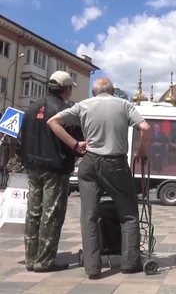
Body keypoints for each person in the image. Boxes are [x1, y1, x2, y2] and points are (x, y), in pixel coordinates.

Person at [47, 77, 151, 279]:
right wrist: (142, 152)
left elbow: (53, 122)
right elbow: (145, 128)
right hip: (116, 163)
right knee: (128, 214)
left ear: (94, 92)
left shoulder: (83, 105)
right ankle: (130, 263)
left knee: (89, 216)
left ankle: (93, 268)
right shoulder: (124, 105)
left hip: (90, 162)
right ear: (112, 91)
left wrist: (75, 144)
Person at [16, 71, 84, 273]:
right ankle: (44, 261)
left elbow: (20, 142)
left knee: (33, 213)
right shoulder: (65, 111)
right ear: (67, 89)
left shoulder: (31, 109)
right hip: (55, 168)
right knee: (51, 215)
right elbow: (75, 142)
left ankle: (30, 258)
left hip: (33, 167)